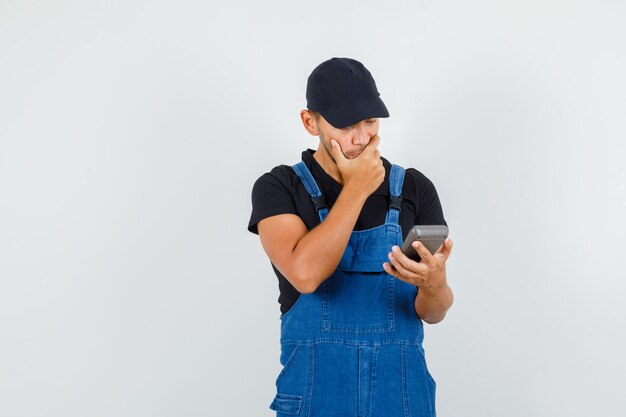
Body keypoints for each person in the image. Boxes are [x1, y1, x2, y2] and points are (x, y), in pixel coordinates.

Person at [247, 57, 454, 417]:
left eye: (370, 122)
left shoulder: (415, 188)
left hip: (402, 399)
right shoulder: (279, 187)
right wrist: (357, 189)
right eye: (346, 125)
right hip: (315, 400)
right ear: (310, 122)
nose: (361, 138)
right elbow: (305, 274)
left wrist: (434, 284)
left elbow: (433, 313)